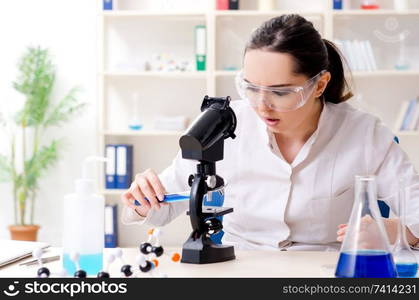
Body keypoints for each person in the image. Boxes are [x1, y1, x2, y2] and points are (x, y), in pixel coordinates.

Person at [121, 14, 419, 251]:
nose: (261, 106)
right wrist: (142, 198)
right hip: (241, 268)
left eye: (280, 92)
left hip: (321, 275)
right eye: (250, 87)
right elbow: (162, 208)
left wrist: (399, 233)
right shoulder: (223, 122)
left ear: (319, 84)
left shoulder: (365, 134)